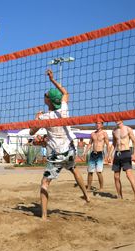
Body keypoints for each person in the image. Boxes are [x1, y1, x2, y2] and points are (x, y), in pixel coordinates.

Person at [30, 69, 90, 220]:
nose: (45, 96)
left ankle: (44, 216)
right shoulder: (64, 108)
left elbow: (31, 132)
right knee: (74, 169)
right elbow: (65, 92)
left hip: (57, 155)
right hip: (70, 150)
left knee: (44, 183)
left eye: (47, 96)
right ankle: (87, 195)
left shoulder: (45, 117)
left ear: (49, 101)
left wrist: (36, 118)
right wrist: (53, 79)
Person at [111, 120, 135, 202]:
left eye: (118, 118)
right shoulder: (114, 131)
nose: (116, 120)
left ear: (122, 120)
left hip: (126, 152)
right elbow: (114, 144)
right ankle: (120, 196)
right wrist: (109, 154)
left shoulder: (128, 129)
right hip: (117, 153)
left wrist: (134, 154)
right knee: (116, 177)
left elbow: (134, 142)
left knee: (129, 175)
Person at [83, 122, 111, 191]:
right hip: (93, 153)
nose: (97, 125)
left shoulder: (104, 133)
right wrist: (85, 152)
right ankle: (89, 187)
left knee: (99, 172)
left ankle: (101, 187)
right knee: (90, 171)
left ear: (102, 125)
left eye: (99, 124)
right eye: (96, 123)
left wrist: (109, 155)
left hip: (100, 153)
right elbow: (90, 144)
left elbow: (108, 145)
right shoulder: (93, 134)